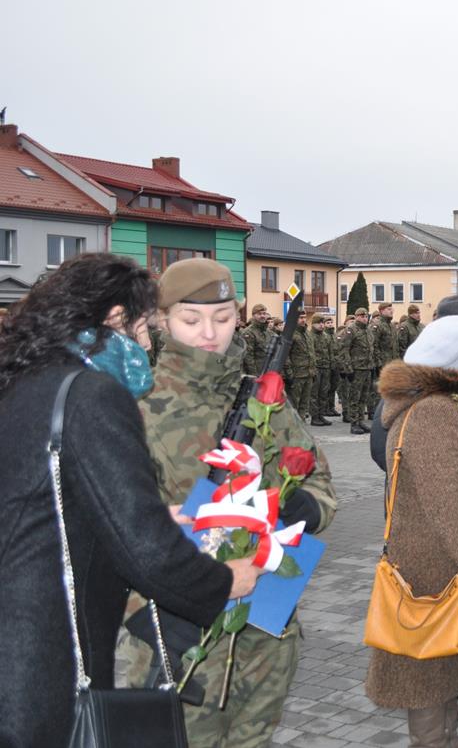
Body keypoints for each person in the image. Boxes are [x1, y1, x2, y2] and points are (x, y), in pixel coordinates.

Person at [0, 253, 261, 748]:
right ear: (116, 318)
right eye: (143, 330)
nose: (145, 346)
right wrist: (227, 581)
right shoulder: (92, 394)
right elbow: (146, 550)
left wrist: (148, 516)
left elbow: (46, 506)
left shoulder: (28, 381)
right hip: (41, 658)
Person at [118, 257, 338, 748]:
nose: (208, 333)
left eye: (221, 318)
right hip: (176, 634)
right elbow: (113, 528)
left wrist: (304, 507)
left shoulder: (263, 399)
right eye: (191, 319)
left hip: (263, 627)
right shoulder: (137, 407)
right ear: (162, 320)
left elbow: (319, 480)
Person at [365, 316, 458, 748]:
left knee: (448, 667)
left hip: (451, 567)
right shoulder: (433, 414)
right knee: (429, 673)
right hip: (439, 570)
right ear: (452, 363)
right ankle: (434, 741)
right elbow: (448, 503)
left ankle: (448, 738)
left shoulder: (444, 407)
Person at [346, 306, 374, 434]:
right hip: (356, 369)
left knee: (363, 396)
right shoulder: (351, 330)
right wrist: (347, 369)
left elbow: (371, 349)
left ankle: (361, 420)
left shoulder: (368, 330)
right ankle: (354, 423)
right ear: (356, 317)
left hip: (367, 368)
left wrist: (372, 365)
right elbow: (344, 350)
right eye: (362, 316)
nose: (364, 318)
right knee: (355, 397)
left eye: (366, 316)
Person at [242, 303, 272, 374]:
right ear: (253, 315)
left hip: (268, 371)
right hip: (257, 373)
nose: (262, 316)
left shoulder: (268, 332)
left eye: (264, 313)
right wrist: (254, 376)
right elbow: (248, 357)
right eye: (259, 314)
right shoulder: (248, 332)